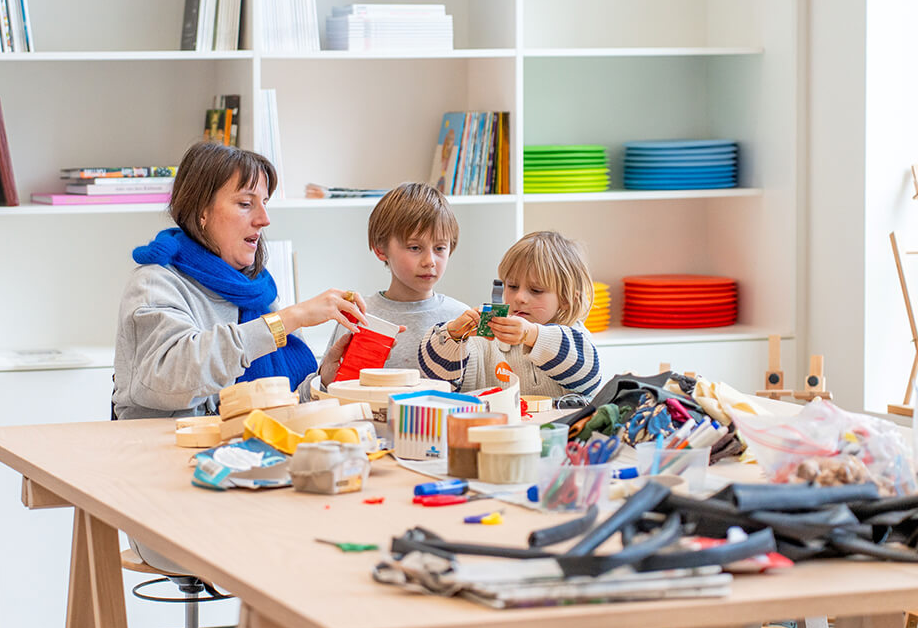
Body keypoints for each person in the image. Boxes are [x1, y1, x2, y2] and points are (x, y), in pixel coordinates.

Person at [112, 141, 368, 421]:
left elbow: (284, 404)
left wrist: (324, 379)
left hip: (246, 452)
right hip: (162, 454)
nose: (264, 219)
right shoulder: (154, 283)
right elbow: (167, 377)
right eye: (246, 204)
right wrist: (288, 320)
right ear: (202, 211)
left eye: (265, 204)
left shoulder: (259, 290)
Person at [417, 230, 602, 400]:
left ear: (566, 299)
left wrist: (532, 335)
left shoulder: (576, 339)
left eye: (536, 290)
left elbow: (589, 377)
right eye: (512, 286)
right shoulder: (484, 341)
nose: (520, 297)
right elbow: (439, 383)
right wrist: (452, 336)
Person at [315, 182, 468, 385]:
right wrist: (325, 382)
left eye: (440, 248)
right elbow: (327, 391)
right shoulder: (358, 314)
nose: (430, 261)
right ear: (380, 249)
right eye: (415, 247)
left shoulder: (460, 317)